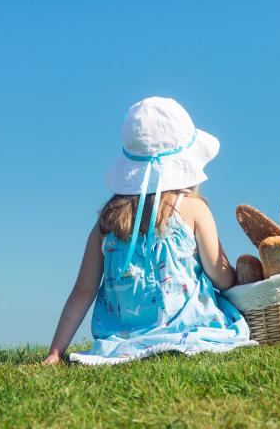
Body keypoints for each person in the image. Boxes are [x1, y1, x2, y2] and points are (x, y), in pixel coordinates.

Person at [43, 97, 255, 365]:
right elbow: (221, 277)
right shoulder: (192, 208)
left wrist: (55, 352)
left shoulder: (106, 223)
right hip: (190, 333)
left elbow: (82, 292)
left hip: (122, 344)